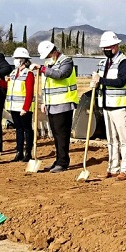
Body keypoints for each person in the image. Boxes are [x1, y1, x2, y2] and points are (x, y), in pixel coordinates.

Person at [91, 31, 126, 180]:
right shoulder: (103, 63)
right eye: (104, 48)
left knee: (124, 140)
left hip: (121, 106)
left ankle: (125, 169)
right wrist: (95, 83)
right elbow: (100, 80)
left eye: (108, 47)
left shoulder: (125, 62)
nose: (106, 50)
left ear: (116, 46)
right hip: (106, 106)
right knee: (111, 140)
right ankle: (113, 167)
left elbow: (121, 81)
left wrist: (101, 80)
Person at [36, 41, 77, 172]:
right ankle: (58, 160)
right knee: (55, 134)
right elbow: (45, 85)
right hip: (51, 104)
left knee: (62, 134)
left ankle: (63, 162)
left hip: (64, 103)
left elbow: (60, 75)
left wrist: (42, 69)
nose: (47, 58)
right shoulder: (48, 63)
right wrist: (43, 101)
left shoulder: (66, 61)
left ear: (52, 51)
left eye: (48, 55)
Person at [5, 48, 36, 162]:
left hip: (23, 107)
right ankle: (19, 152)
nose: (15, 60)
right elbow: (8, 86)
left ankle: (28, 152)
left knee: (27, 129)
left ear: (23, 60)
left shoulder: (29, 73)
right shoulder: (13, 73)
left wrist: (25, 108)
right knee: (18, 129)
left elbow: (29, 92)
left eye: (17, 58)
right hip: (14, 106)